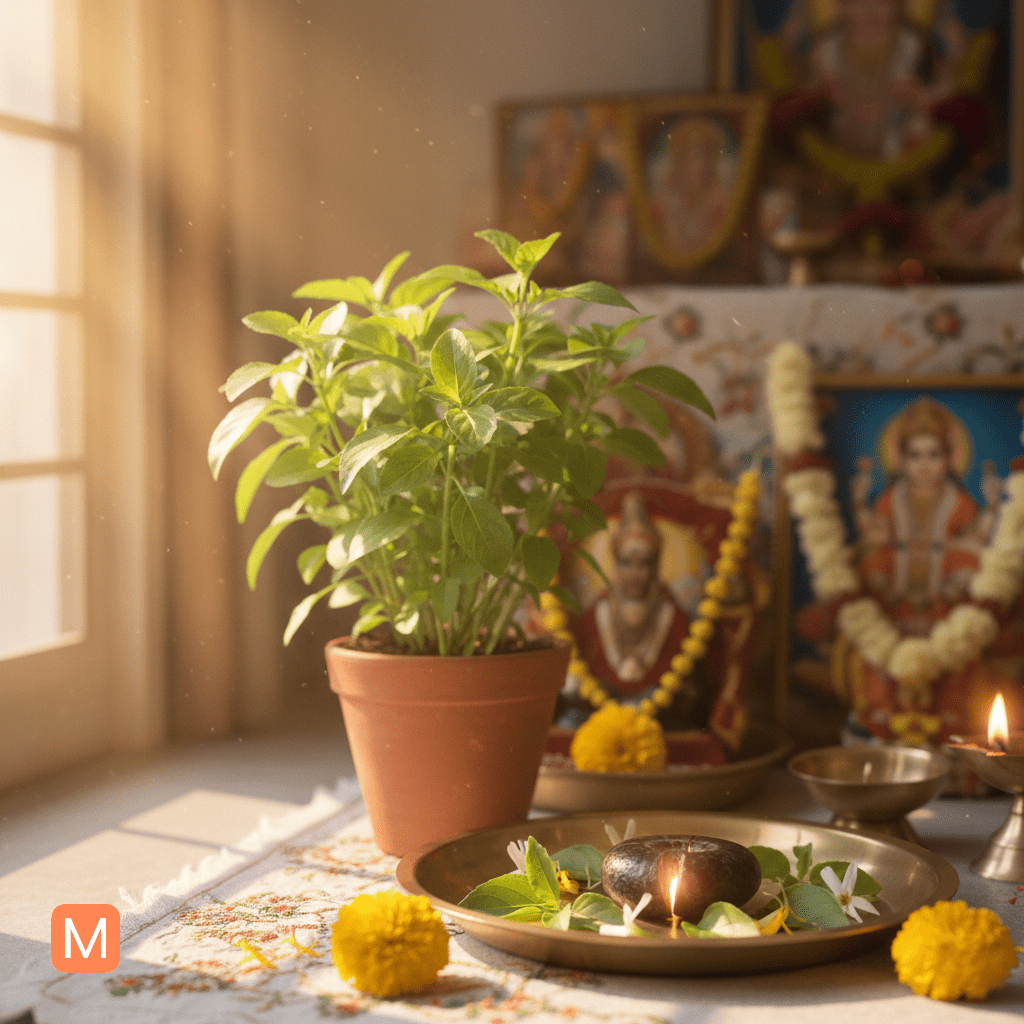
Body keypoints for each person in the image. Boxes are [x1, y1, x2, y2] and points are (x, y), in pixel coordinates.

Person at [852, 397, 998, 636]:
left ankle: (948, 621)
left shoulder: (959, 500)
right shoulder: (890, 499)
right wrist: (859, 502)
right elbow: (875, 534)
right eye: (915, 455)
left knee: (971, 569)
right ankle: (891, 618)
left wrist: (991, 505)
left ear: (948, 459)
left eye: (933, 455)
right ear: (902, 460)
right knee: (870, 564)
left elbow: (976, 537)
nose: (924, 464)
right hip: (897, 571)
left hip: (943, 572)